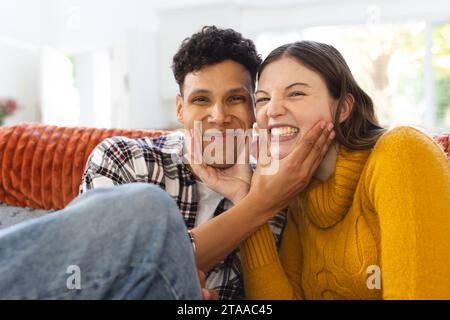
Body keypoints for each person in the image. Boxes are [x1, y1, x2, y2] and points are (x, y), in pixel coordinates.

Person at [78, 26, 334, 299]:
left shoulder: (280, 188)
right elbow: (108, 279)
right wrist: (258, 204)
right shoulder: (125, 159)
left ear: (254, 109)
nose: (219, 116)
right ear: (180, 108)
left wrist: (246, 195)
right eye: (201, 99)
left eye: (235, 99)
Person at [235, 41, 450, 299]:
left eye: (296, 94)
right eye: (263, 99)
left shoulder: (402, 153)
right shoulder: (299, 195)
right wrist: (248, 198)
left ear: (343, 107)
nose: (272, 110)